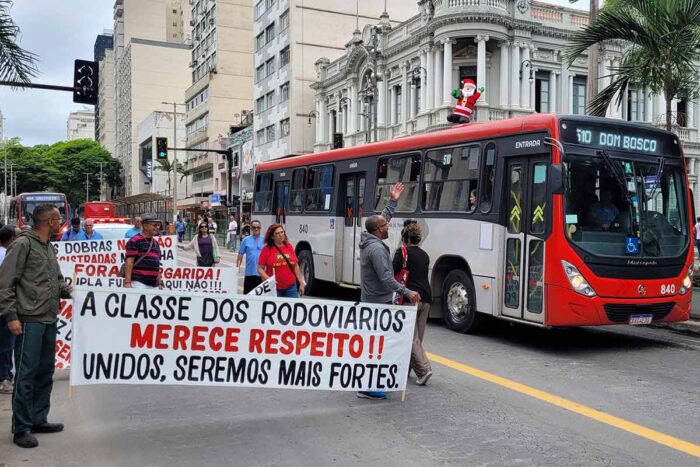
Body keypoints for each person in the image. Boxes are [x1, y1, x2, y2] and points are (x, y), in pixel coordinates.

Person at [0, 205, 71, 448]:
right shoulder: (23, 245)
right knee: (26, 374)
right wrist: (11, 316)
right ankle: (21, 428)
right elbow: (6, 283)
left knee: (44, 372)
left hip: (49, 318)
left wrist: (70, 291)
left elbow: (57, 280)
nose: (61, 221)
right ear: (50, 221)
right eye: (58, 218)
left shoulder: (48, 246)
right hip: (28, 320)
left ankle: (39, 418)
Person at [358, 182, 419, 400]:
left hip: (372, 300)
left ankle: (370, 383)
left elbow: (382, 218)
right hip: (377, 303)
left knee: (377, 344)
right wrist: (407, 292)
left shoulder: (370, 239)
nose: (388, 227)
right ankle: (368, 386)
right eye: (384, 226)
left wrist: (392, 201)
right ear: (378, 230)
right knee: (376, 345)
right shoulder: (376, 250)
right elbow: (386, 279)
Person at [393, 220, 433, 386]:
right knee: (418, 337)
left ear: (405, 238)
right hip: (426, 298)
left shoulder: (402, 253)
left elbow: (392, 271)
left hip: (410, 297)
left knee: (410, 337)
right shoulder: (425, 255)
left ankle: (424, 370)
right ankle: (408, 368)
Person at [258, 224, 305, 298]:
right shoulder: (266, 249)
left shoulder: (289, 246)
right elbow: (260, 269)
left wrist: (301, 283)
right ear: (272, 237)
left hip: (291, 287)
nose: (281, 235)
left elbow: (295, 265)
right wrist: (268, 279)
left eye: (282, 232)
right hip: (274, 287)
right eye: (277, 233)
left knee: (291, 308)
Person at [0, 225, 20, 395]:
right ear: (12, 238)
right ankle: (4, 378)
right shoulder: (7, 256)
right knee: (6, 345)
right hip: (4, 308)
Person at [124, 214, 162, 289]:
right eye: (154, 225)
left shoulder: (155, 243)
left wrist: (160, 283)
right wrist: (127, 282)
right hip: (138, 283)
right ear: (145, 226)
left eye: (158, 225)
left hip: (153, 284)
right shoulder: (135, 240)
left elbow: (156, 265)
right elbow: (129, 262)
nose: (157, 227)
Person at [237, 219, 264, 293]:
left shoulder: (265, 240)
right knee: (248, 296)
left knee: (260, 298)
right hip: (249, 274)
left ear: (260, 228)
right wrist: (237, 267)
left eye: (258, 227)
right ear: (251, 229)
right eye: (254, 227)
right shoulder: (246, 240)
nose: (256, 229)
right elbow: (240, 254)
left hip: (262, 274)